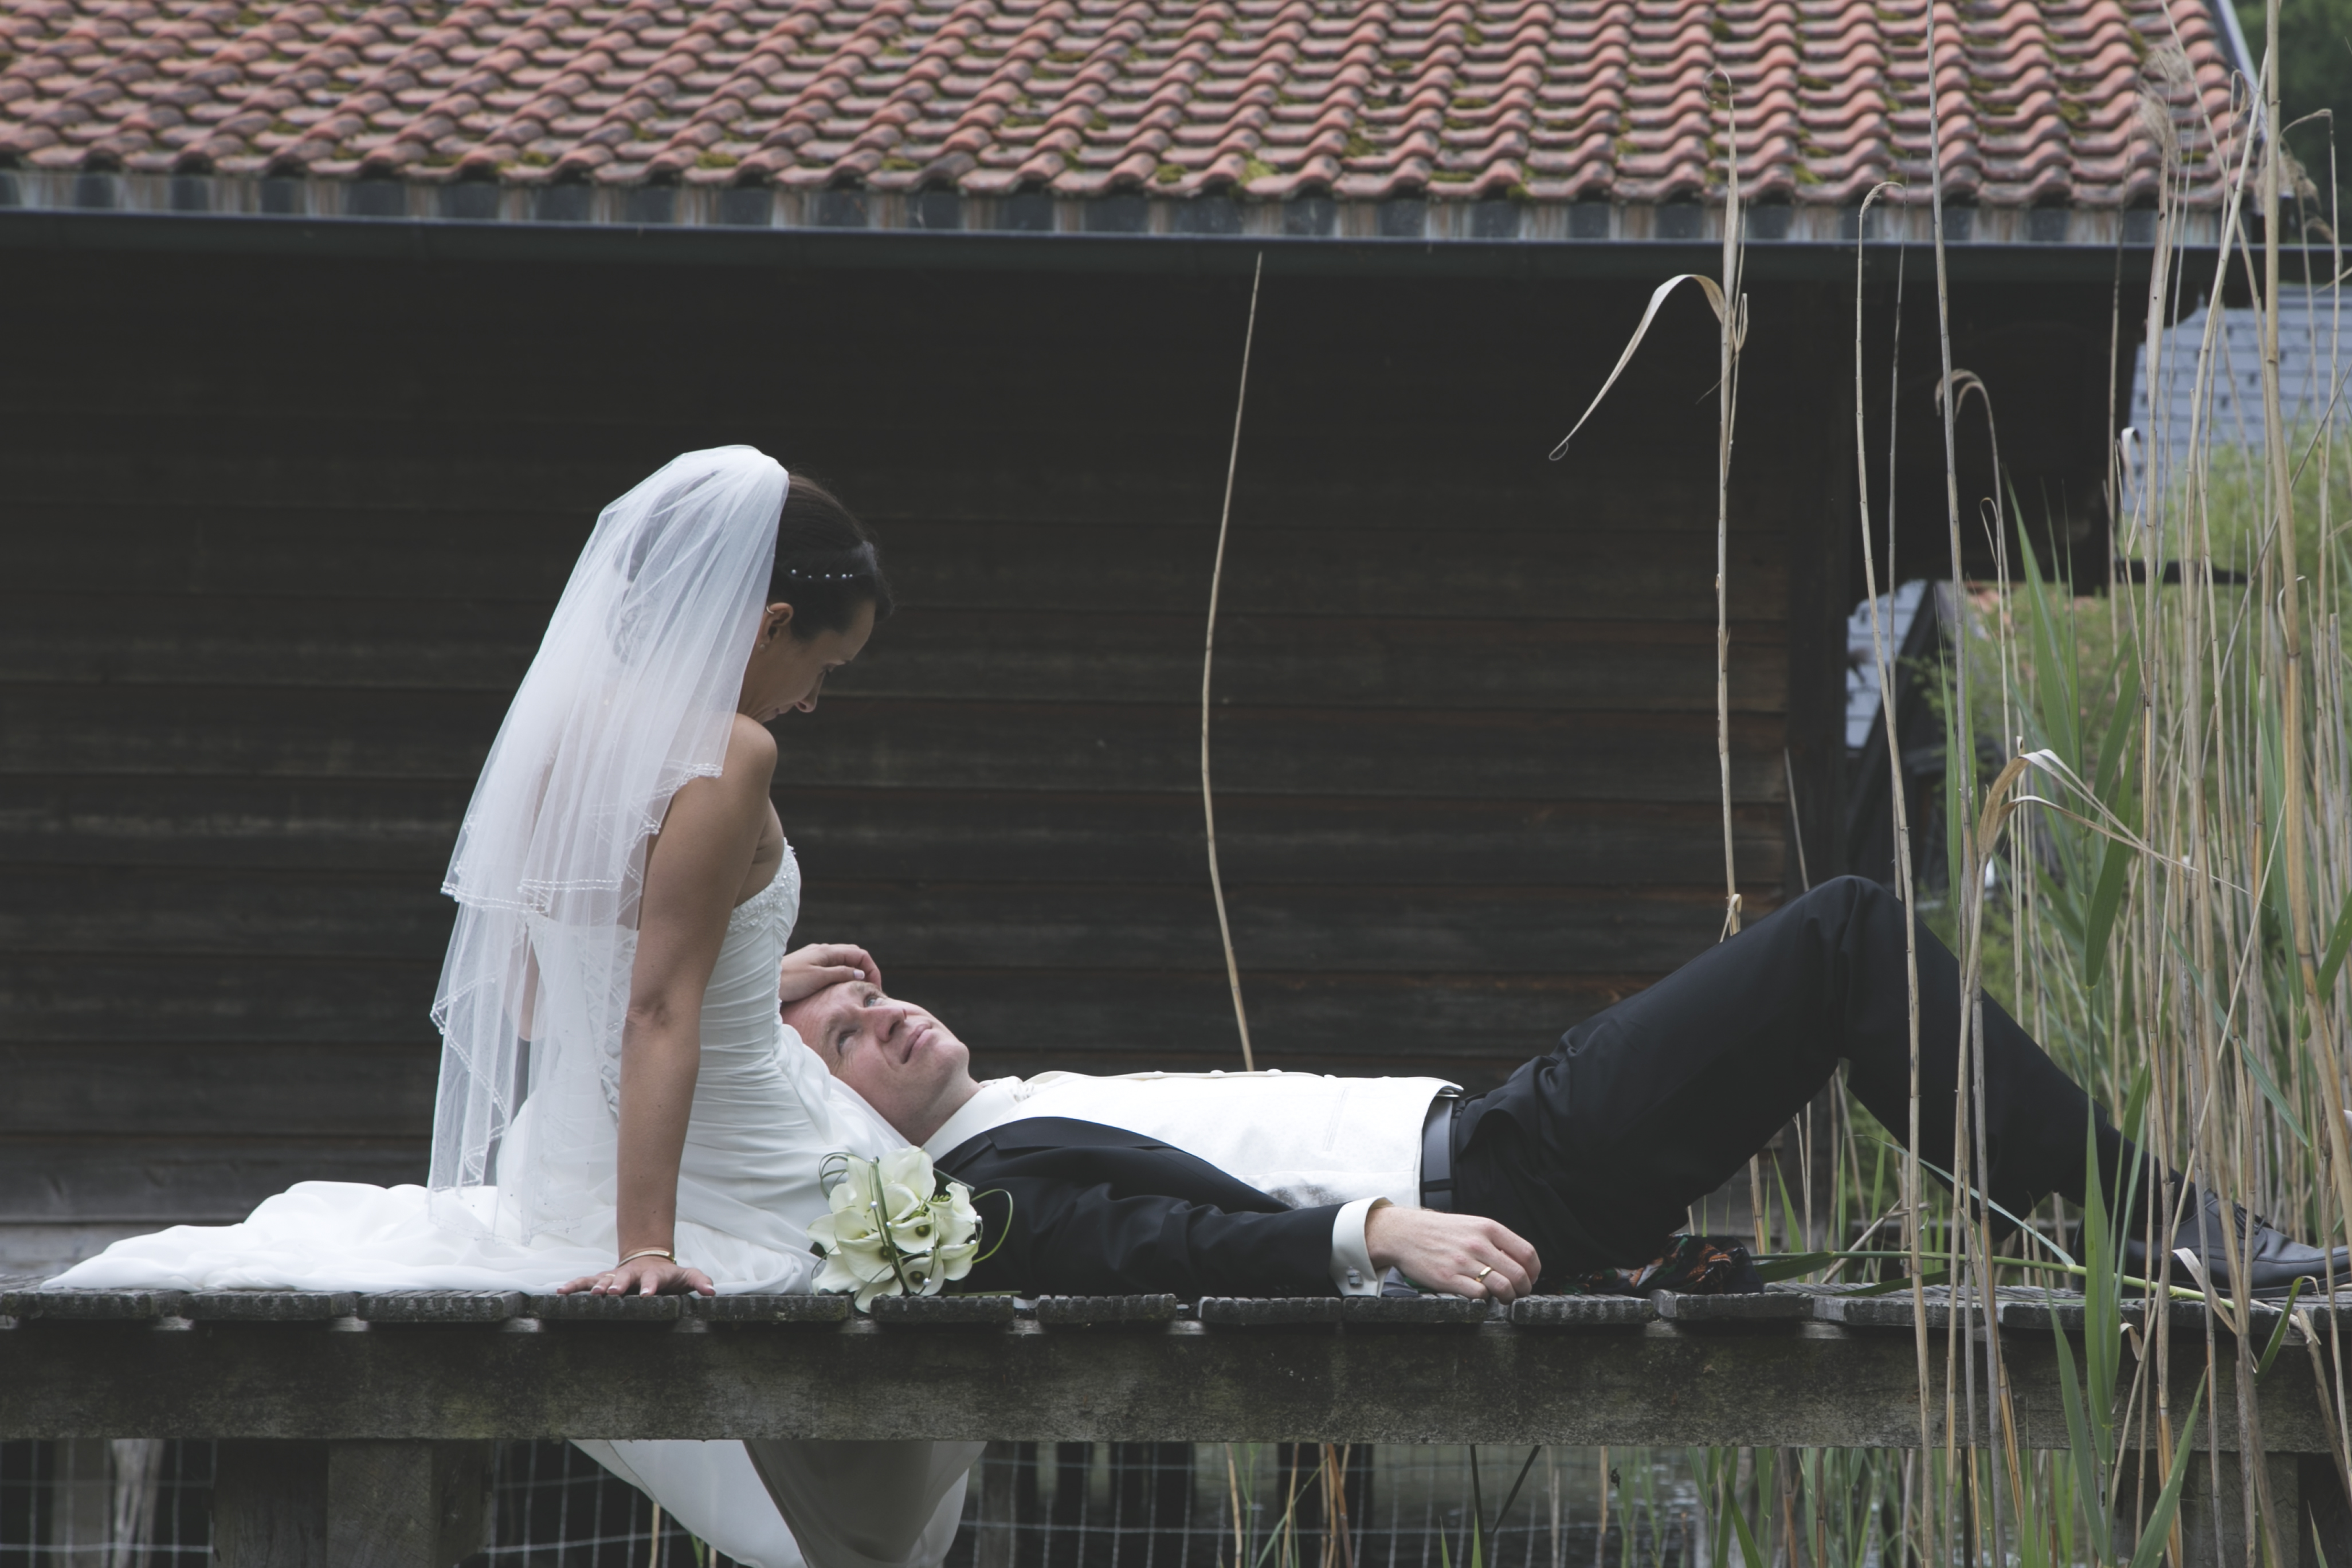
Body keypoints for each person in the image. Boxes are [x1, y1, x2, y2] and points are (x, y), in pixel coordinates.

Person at [48, 447, 977, 1568]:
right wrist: (647, 1243)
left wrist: (754, 983)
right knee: (938, 1308)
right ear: (770, 622)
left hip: (566, 1160)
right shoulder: (732, 754)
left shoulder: (567, 740)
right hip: (722, 1164)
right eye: (823, 666)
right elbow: (654, 1011)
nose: (815, 699)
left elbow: (547, 1000)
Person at [789, 875, 2350, 1302]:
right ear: (825, 1113)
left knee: (1839, 955)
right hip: (1486, 1183)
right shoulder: (978, 1197)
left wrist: (790, 985)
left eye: (874, 993)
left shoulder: (1006, 1112)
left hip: (1492, 1139)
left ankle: (2128, 1230)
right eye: (847, 1039)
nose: (887, 1016)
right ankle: (2159, 1232)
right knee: (1841, 937)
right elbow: (1162, 1249)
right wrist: (1371, 1233)